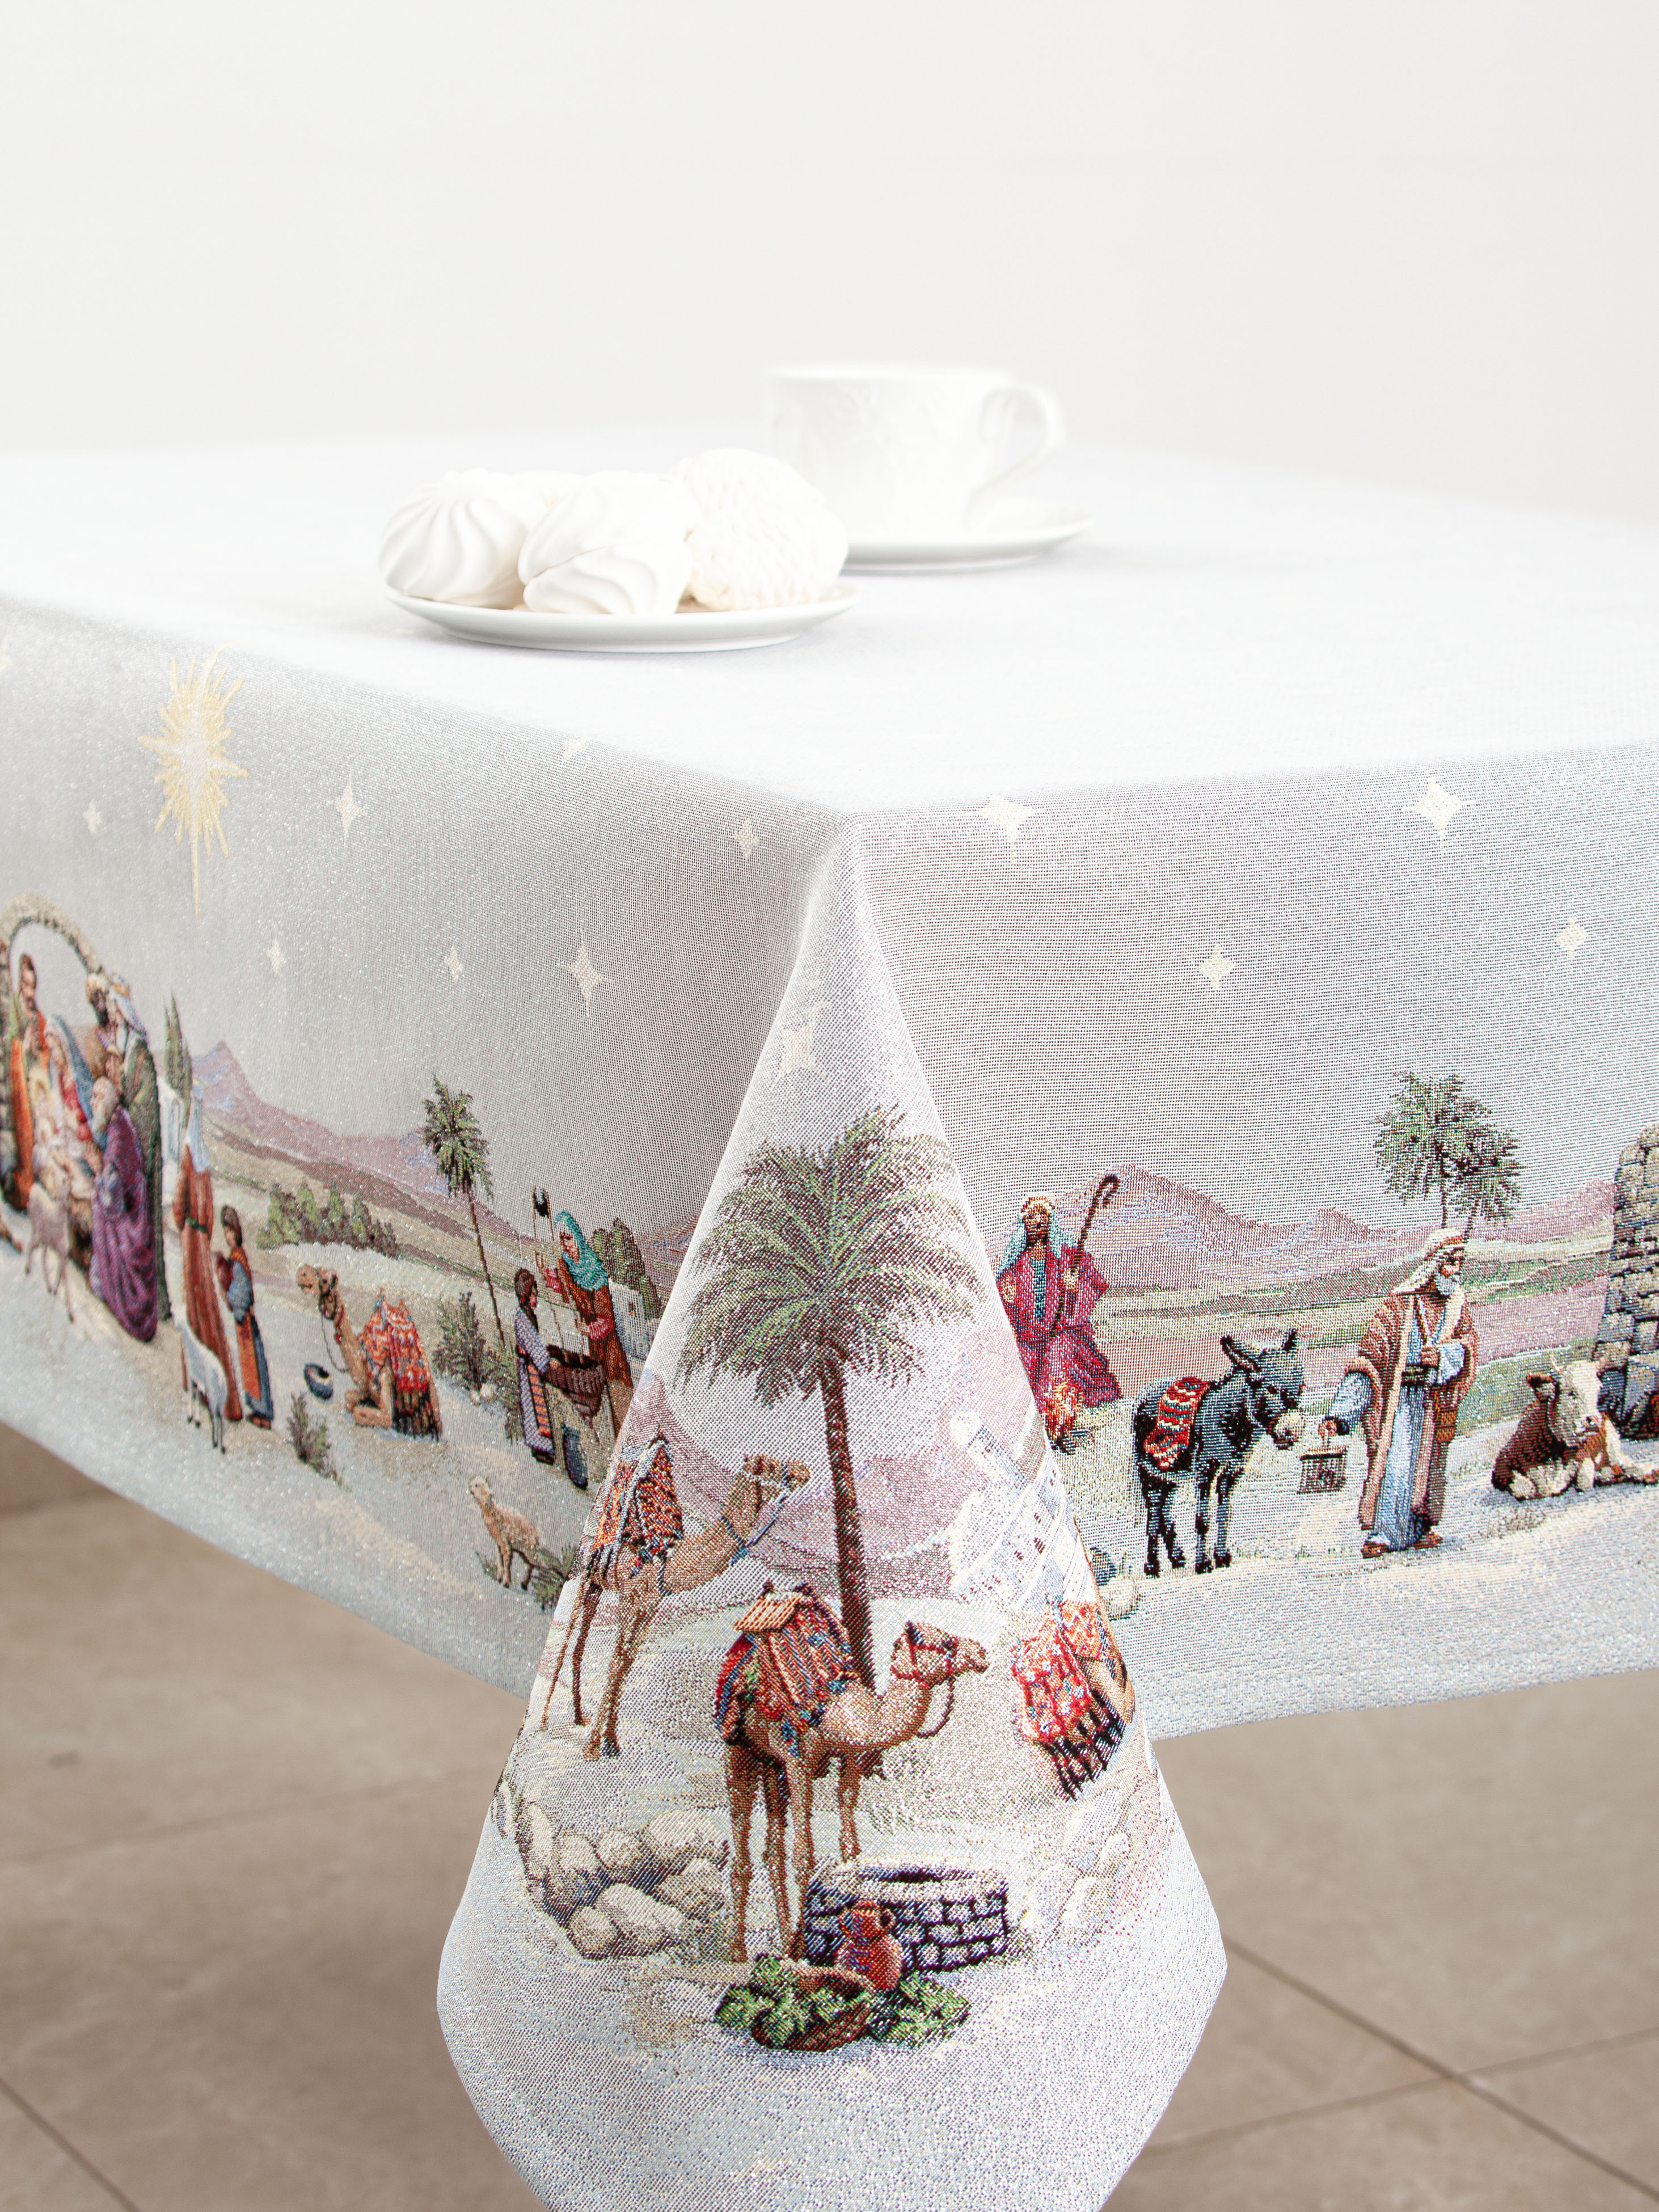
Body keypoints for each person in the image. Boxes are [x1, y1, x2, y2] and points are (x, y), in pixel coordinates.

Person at [1321, 1228, 1478, 1556]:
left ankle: (1419, 1530)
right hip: (1400, 1403)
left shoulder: (1456, 1307)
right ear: (1434, 1264)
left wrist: (1444, 1356)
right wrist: (1340, 1414)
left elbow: (1468, 1347)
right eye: (1451, 1263)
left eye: (1460, 1263)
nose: (1456, 1271)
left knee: (1428, 1467)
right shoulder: (1399, 1305)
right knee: (1397, 1465)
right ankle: (1383, 1534)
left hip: (1432, 1402)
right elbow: (1369, 1361)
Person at [996, 1193, 1121, 1450]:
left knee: (1058, 1359)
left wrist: (1074, 1287)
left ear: (1051, 1220)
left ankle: (1060, 1426)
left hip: (1064, 1333)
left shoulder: (1067, 1256)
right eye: (1031, 1216)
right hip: (1030, 1339)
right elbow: (1007, 1311)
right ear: (1024, 1224)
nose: (1037, 1221)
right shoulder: (1015, 1266)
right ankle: (1025, 1433)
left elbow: (1092, 1284)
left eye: (1043, 1215)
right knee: (1016, 1366)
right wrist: (1009, 1299)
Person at [85, 972, 169, 1323]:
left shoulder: (140, 1055)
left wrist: (128, 1149)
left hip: (140, 1160)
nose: (113, 1016)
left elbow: (144, 1109)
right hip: (131, 1156)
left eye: (116, 1009)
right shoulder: (126, 1050)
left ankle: (143, 1300)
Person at [171, 1087, 242, 1422]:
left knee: (192, 1301)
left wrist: (182, 1222)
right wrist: (202, 1232)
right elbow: (210, 1216)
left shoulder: (189, 1154)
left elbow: (179, 1203)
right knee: (208, 1305)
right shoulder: (205, 1161)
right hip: (201, 1240)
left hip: (190, 1239)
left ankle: (196, 1382)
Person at [543, 1210, 634, 1438]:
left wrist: (589, 1329)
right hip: (595, 1350)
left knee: (620, 1399)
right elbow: (566, 1291)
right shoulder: (568, 1267)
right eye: (562, 1240)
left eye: (568, 1239)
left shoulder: (594, 1271)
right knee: (603, 1402)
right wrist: (548, 1275)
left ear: (578, 1238)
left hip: (610, 1349)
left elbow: (608, 1321)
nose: (565, 1245)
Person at [88, 1070, 159, 1341]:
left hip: (131, 1227)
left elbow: (113, 1205)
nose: (92, 1103)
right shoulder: (119, 1124)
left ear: (109, 1102)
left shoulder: (118, 1138)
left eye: (97, 1098)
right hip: (131, 1214)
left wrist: (98, 1171)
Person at [511, 1265, 597, 1484]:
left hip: (533, 1366)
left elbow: (537, 1345)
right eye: (533, 1294)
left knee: (538, 1408)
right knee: (535, 1408)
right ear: (526, 1295)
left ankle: (544, 1448)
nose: (536, 1298)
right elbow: (532, 1346)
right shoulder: (522, 1318)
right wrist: (548, 1362)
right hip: (530, 1370)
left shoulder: (529, 1316)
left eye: (536, 1293)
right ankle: (541, 1448)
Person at [215, 1205, 272, 1426]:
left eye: (230, 1232)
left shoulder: (238, 1259)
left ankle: (263, 1412)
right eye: (226, 1232)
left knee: (254, 1365)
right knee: (250, 1364)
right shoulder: (236, 1257)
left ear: (236, 1232)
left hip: (246, 1321)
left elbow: (242, 1293)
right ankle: (258, 1409)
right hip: (244, 1321)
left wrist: (226, 1294)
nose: (227, 1236)